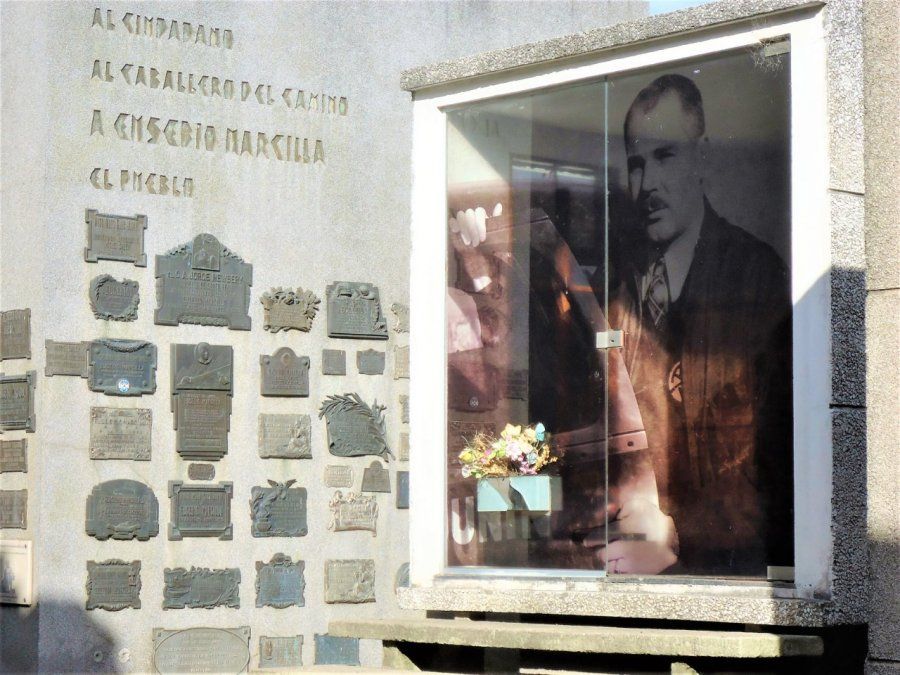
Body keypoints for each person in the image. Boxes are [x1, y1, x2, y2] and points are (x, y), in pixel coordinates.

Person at [601, 74, 793, 575]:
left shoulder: (755, 274)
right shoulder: (620, 291)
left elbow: (768, 456)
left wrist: (678, 537)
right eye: (637, 165)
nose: (648, 186)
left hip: (727, 573)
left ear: (702, 157)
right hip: (638, 558)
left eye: (666, 157)